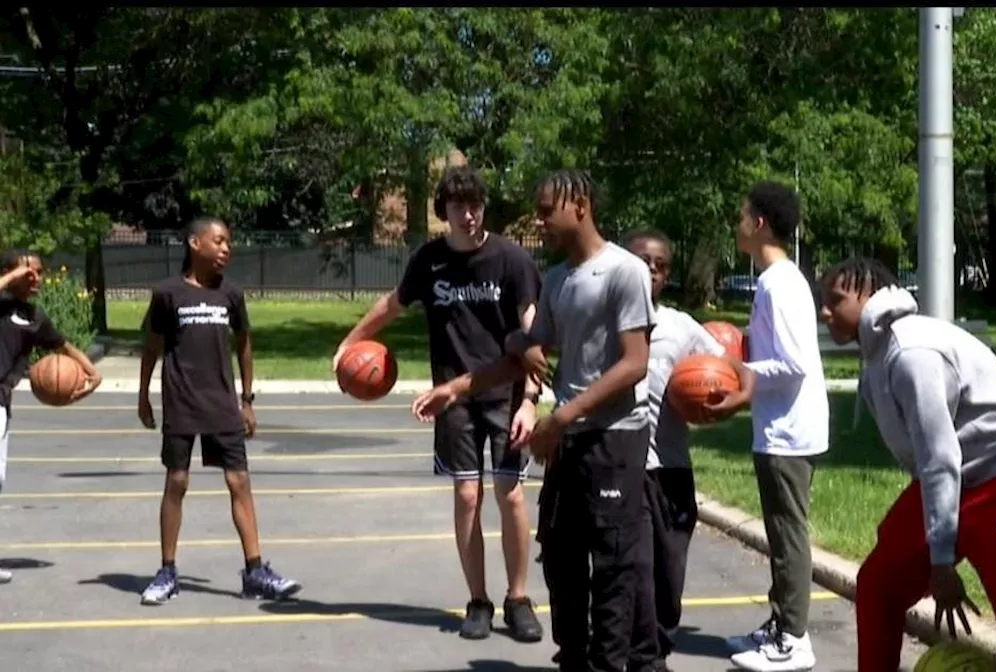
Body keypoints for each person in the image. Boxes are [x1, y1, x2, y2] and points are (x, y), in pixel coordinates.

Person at [411, 169, 657, 672]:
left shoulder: (623, 271)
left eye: (547, 210)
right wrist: (455, 388)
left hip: (613, 443)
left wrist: (559, 416)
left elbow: (635, 364)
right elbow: (526, 355)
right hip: (565, 443)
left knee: (612, 574)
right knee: (564, 568)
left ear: (581, 206)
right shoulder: (559, 279)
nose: (540, 220)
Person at [816, 255, 996, 672]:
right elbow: (932, 461)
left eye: (836, 299)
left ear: (870, 295)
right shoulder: (876, 359)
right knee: (879, 583)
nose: (825, 310)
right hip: (959, 476)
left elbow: (939, 456)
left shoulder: (910, 352)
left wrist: (940, 561)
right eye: (822, 300)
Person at [333, 164, 545, 643]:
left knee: (510, 494)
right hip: (451, 399)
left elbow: (534, 339)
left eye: (474, 205)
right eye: (457, 207)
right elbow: (391, 306)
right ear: (443, 212)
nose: (467, 215)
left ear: (483, 207)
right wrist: (348, 344)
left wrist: (531, 400)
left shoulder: (512, 260)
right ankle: (478, 600)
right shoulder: (429, 261)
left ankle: (517, 599)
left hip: (507, 393)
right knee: (467, 495)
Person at [137, 216, 301, 606]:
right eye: (219, 241)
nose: (227, 248)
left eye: (229, 242)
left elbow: (244, 344)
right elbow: (152, 347)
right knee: (176, 482)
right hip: (181, 401)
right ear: (195, 243)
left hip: (223, 404)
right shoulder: (167, 293)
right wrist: (142, 395)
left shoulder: (231, 293)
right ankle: (167, 571)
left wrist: (247, 399)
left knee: (239, 482)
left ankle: (256, 571)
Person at [622, 229, 755, 671]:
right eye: (643, 261)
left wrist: (740, 395)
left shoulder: (680, 326)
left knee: (669, 573)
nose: (651, 271)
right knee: (636, 572)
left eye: (660, 265)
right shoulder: (608, 323)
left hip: (673, 468)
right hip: (625, 466)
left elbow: (736, 368)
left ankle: (658, 645)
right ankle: (646, 660)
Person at [724, 182, 829, 672]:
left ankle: (794, 638)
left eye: (742, 215)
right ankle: (781, 621)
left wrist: (741, 370)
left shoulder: (778, 283)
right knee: (780, 533)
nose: (737, 222)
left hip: (788, 431)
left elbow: (793, 363)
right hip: (780, 427)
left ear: (760, 222)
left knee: (788, 537)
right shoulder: (778, 279)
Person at [0, 250, 102, 585]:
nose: (37, 279)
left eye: (40, 273)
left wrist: (91, 373)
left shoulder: (34, 317)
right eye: (29, 273)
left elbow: (63, 347)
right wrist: (11, 278)